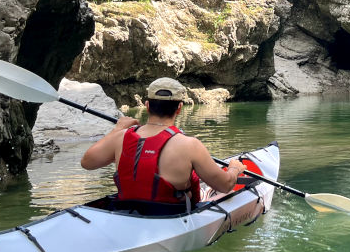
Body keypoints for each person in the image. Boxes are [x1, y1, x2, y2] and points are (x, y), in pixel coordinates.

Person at [81, 77, 246, 213]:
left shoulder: (121, 137)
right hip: (170, 217)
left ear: (147, 106)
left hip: (124, 212)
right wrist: (234, 168)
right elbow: (225, 185)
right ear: (179, 108)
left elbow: (87, 163)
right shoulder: (190, 145)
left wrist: (117, 129)